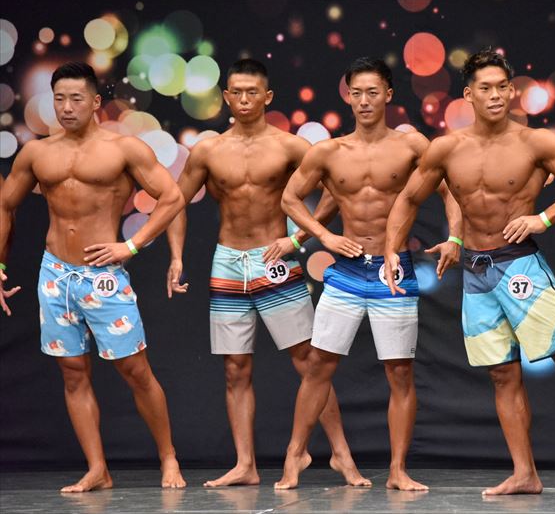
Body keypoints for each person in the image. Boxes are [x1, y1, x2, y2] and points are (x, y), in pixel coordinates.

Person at [384, 48, 555, 497]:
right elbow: (409, 198)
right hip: (475, 272)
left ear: (512, 91)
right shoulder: (447, 148)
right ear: (468, 95)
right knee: (502, 374)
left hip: (519, 265)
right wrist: (392, 249)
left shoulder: (535, 143)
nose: (494, 95)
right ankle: (525, 472)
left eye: (501, 87)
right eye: (484, 88)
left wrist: (543, 218)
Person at [166, 59, 368, 488]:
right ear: (226, 97)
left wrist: (301, 238)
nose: (244, 100)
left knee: (310, 363)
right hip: (227, 262)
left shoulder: (290, 147)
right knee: (235, 368)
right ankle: (246, 465)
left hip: (275, 260)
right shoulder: (208, 150)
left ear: (267, 97)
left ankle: (341, 455)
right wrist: (177, 257)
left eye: (252, 92)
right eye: (236, 92)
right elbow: (174, 203)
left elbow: (337, 192)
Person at [278, 57, 463, 491]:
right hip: (346, 270)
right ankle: (295, 455)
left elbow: (450, 190)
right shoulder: (329, 151)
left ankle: (397, 470)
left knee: (400, 373)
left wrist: (455, 236)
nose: (364, 101)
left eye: (372, 93)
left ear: (388, 95)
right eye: (356, 93)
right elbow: (289, 198)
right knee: (319, 365)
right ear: (348, 97)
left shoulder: (411, 145)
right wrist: (324, 235)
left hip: (391, 270)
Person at [0, 62, 186, 492]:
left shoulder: (124, 149)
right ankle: (97, 469)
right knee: (72, 373)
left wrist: (131, 245)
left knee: (135, 370)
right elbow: (6, 206)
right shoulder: (37, 153)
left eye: (76, 99)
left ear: (96, 102)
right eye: (59, 99)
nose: (66, 107)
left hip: (103, 275)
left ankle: (168, 458)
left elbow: (172, 196)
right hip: (55, 274)